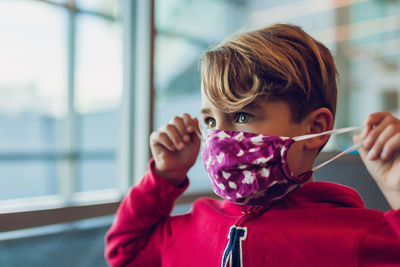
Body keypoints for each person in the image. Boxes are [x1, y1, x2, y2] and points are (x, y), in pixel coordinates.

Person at [105, 24, 400, 266]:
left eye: (242, 116)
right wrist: (164, 177)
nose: (219, 139)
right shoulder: (193, 226)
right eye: (210, 121)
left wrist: (396, 188)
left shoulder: (355, 236)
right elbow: (125, 252)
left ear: (315, 129)